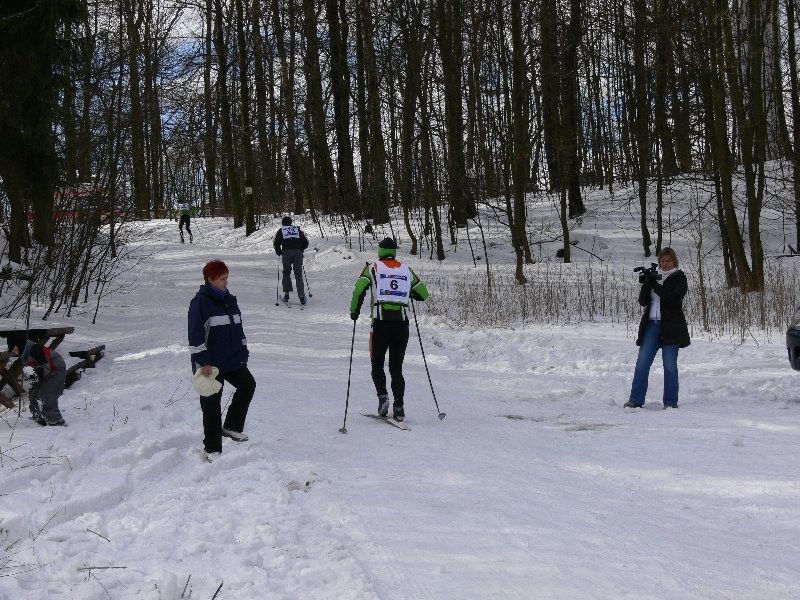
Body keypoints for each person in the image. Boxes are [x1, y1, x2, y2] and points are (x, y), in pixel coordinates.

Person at [350, 238, 429, 421]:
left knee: (377, 364)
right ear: (394, 252)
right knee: (396, 368)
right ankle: (399, 407)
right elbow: (423, 294)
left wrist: (354, 312)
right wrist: (408, 293)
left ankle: (383, 397)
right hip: (401, 325)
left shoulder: (372, 268)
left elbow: (358, 291)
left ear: (380, 251)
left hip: (380, 324)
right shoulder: (406, 270)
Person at [188, 260, 256, 461]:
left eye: (227, 277)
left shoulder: (230, 300)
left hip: (232, 359)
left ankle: (232, 426)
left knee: (247, 385)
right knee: (211, 405)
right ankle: (212, 449)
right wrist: (203, 361)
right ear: (210, 279)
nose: (226, 282)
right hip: (210, 363)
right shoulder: (200, 302)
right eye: (222, 278)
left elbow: (238, 329)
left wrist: (243, 351)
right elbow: (195, 335)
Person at [624, 247, 691, 409]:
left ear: (674, 261)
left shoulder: (679, 278)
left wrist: (655, 285)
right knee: (642, 363)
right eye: (662, 261)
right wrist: (647, 285)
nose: (665, 264)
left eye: (668, 261)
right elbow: (643, 302)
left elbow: (674, 299)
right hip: (652, 325)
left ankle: (670, 402)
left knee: (669, 366)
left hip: (671, 327)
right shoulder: (654, 277)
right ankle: (636, 400)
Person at [6, 333, 66, 426]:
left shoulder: (35, 349)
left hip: (56, 369)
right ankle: (39, 417)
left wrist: (37, 372)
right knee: (34, 394)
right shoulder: (24, 354)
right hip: (43, 373)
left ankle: (55, 420)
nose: (16, 353)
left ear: (20, 345)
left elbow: (45, 366)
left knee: (46, 395)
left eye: (15, 349)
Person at [273, 216, 309, 305]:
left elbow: (276, 243)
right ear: (291, 223)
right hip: (297, 253)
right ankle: (301, 296)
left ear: (283, 223)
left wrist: (278, 251)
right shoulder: (297, 230)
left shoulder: (282, 230)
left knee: (286, 272)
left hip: (286, 253)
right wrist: (301, 249)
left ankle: (286, 295)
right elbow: (305, 242)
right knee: (298, 274)